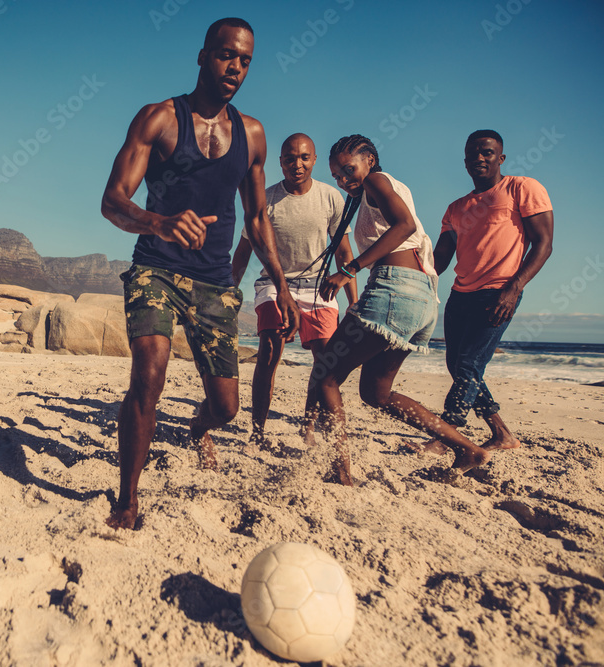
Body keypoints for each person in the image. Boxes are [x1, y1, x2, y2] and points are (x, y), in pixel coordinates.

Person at [100, 18, 299, 529]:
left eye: (246, 60)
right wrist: (158, 222)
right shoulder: (160, 119)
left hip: (214, 280)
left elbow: (256, 219)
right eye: (227, 55)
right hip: (156, 268)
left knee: (226, 407)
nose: (236, 67)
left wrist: (280, 283)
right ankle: (127, 499)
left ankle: (197, 427)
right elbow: (112, 201)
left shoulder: (252, 134)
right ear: (203, 56)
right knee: (149, 375)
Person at [308, 135, 492, 485]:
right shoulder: (377, 192)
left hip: (396, 287)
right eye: (337, 176)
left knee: (326, 375)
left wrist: (350, 270)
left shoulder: (378, 180)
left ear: (371, 160)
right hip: (421, 296)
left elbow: (404, 225)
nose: (344, 180)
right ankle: (467, 448)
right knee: (376, 393)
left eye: (349, 170)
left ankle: (341, 473)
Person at [411, 130, 553, 456]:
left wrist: (514, 289)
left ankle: (445, 438)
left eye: (487, 153)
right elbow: (441, 259)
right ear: (465, 162)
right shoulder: (456, 208)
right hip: (460, 295)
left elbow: (544, 244)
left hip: (499, 292)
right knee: (459, 365)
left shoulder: (522, 188)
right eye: (473, 154)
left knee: (469, 365)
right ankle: (502, 433)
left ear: (501, 158)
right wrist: (408, 262)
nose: (480, 158)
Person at [231, 133, 357, 450]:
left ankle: (309, 427)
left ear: (313, 160)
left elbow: (344, 253)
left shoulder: (331, 198)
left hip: (318, 285)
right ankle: (258, 431)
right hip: (275, 284)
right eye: (289, 158)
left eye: (303, 157)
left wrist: (354, 302)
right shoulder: (267, 200)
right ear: (281, 162)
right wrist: (229, 292)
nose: (296, 164)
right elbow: (244, 251)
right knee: (271, 351)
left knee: (325, 359)